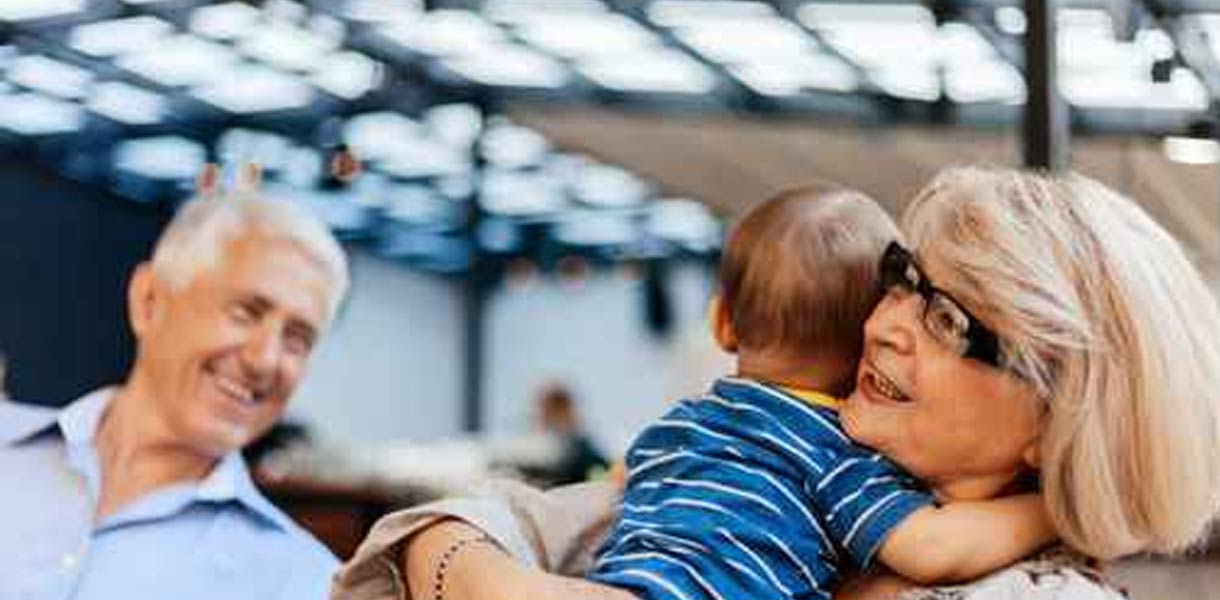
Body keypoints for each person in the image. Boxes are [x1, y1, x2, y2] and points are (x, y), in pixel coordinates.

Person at [330, 166, 1220, 600]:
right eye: (903, 281)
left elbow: (472, 540)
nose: (880, 323)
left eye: (946, 319)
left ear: (1060, 419)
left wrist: (469, 573)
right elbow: (453, 525)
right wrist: (455, 554)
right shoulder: (810, 480)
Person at [588, 184, 1051, 600]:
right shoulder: (833, 451)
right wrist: (1052, 515)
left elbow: (614, 494)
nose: (890, 326)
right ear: (857, 339)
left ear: (721, 324)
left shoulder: (682, 421)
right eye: (901, 286)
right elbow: (931, 546)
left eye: (949, 322)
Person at [0, 191, 350, 600]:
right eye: (245, 312)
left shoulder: (305, 583)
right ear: (149, 301)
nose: (265, 360)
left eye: (298, 339)